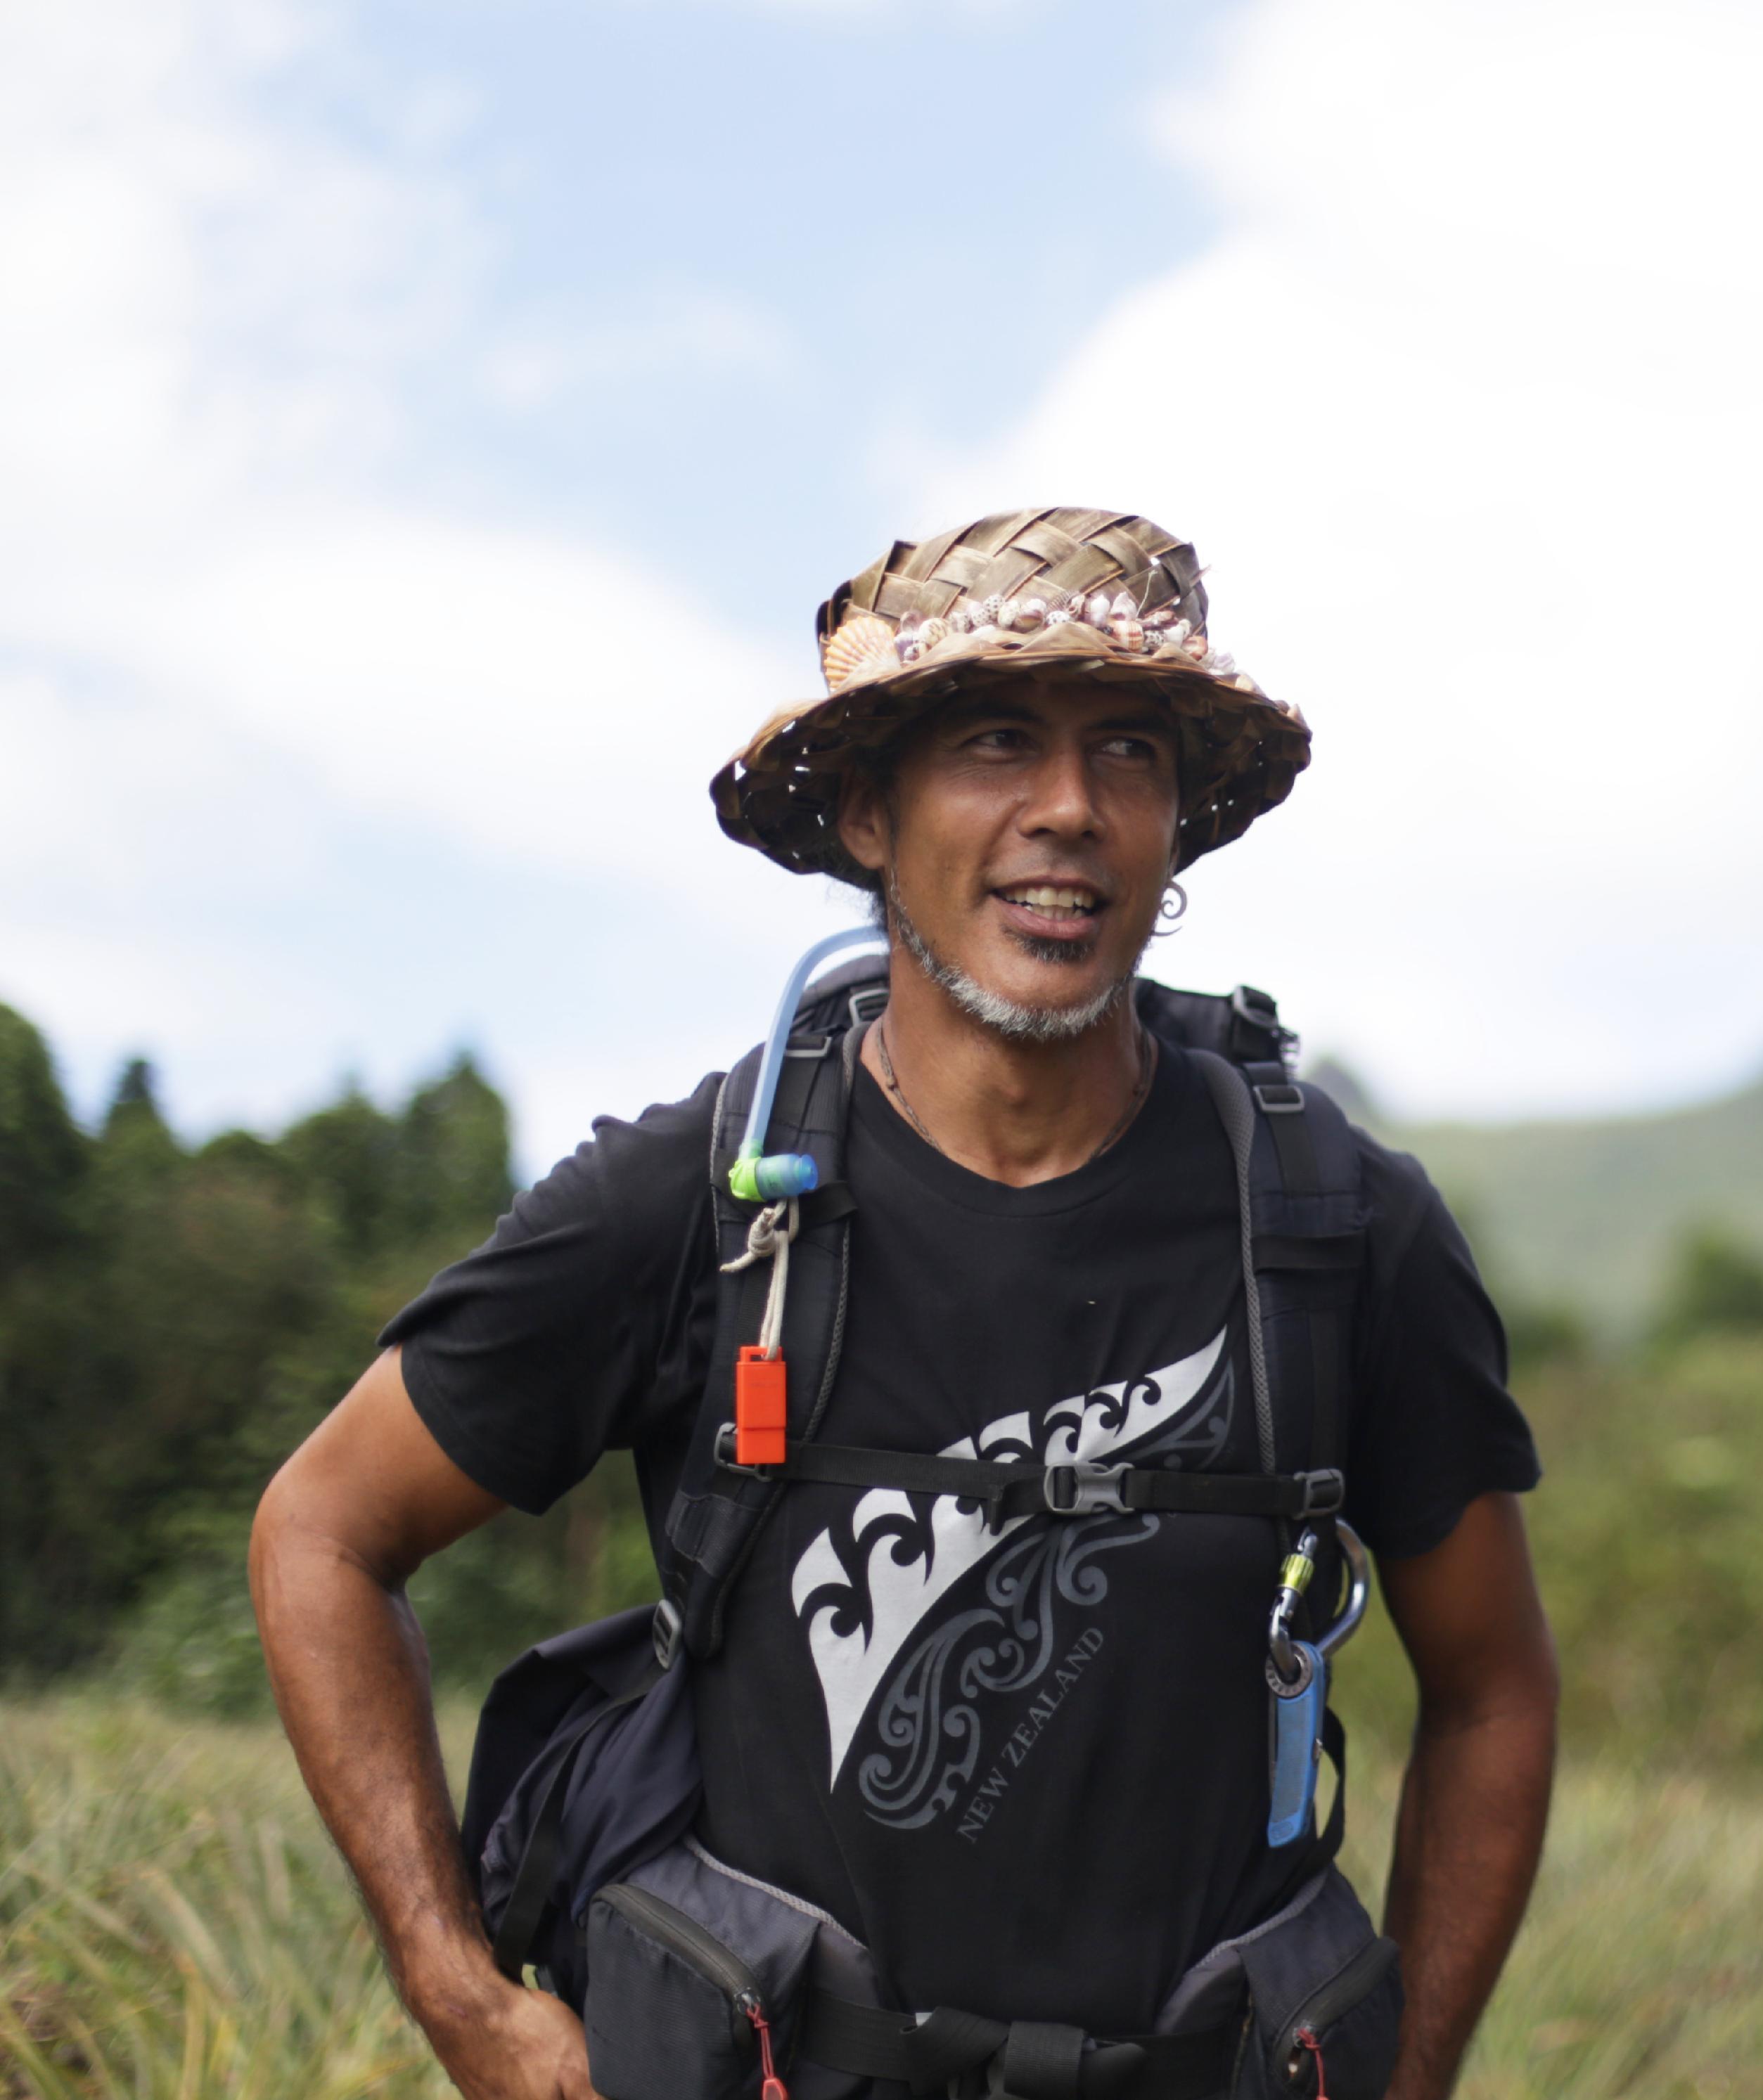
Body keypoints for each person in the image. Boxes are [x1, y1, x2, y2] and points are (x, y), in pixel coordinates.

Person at [249, 508, 1558, 2100]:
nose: (1069, 810)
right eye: (997, 742)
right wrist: (463, 1998)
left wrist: (1404, 2079)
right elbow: (322, 1531)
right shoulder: (704, 1205)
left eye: (1129, 752)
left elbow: (1491, 1685)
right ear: (869, 811)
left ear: (1177, 824)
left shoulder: (1338, 1228)